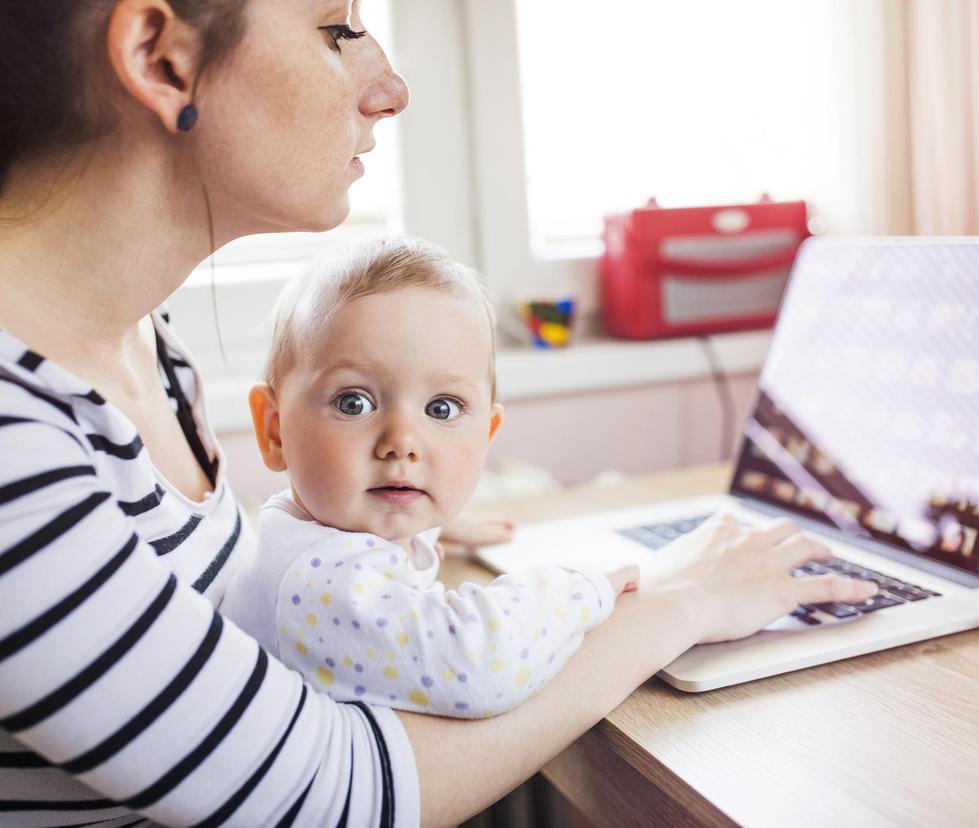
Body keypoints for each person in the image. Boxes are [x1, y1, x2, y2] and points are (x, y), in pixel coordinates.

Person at [0, 1, 879, 825]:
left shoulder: (142, 343)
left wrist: (367, 538)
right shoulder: (13, 440)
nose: (388, 89)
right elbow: (330, 801)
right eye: (336, 28)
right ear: (163, 59)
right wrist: (677, 602)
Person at [221, 236, 640, 718]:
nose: (403, 441)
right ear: (275, 431)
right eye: (353, 403)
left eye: (442, 408)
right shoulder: (320, 582)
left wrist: (432, 524)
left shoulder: (310, 532)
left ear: (487, 433)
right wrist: (581, 589)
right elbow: (479, 665)